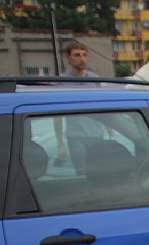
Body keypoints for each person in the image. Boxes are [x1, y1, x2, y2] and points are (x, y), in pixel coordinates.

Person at [54, 40, 103, 171]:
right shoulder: (62, 82)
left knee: (100, 172)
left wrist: (110, 130)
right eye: (77, 55)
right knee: (82, 173)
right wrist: (60, 143)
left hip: (97, 135)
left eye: (84, 55)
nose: (82, 59)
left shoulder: (95, 80)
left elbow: (103, 107)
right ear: (68, 58)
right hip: (76, 137)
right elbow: (57, 115)